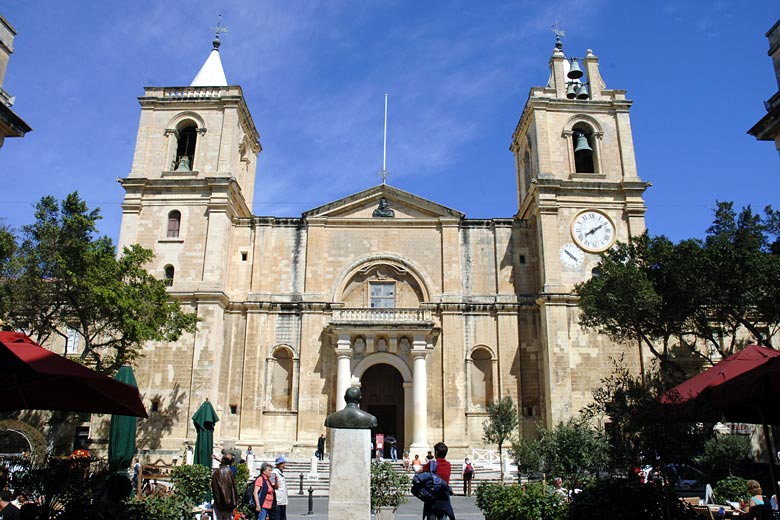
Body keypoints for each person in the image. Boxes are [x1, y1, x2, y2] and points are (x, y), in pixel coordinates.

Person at [420, 442, 455, 520]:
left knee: (431, 517)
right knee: (442, 517)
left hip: (432, 496)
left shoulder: (431, 464)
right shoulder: (448, 465)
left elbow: (421, 471)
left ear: (436, 452)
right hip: (443, 496)